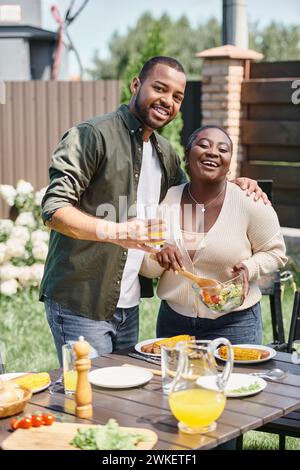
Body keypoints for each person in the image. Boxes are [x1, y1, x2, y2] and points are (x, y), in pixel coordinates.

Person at [40, 57, 268, 365]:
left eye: (177, 97)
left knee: (123, 400)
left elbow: (196, 197)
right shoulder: (91, 135)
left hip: (128, 303)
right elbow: (54, 209)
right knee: (92, 398)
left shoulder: (166, 154)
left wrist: (239, 184)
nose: (168, 101)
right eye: (159, 88)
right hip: (81, 302)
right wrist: (117, 231)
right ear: (136, 85)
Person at [140, 125, 287, 345]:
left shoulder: (249, 201)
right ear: (188, 156)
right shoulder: (166, 200)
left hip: (235, 324)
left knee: (237, 380)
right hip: (174, 323)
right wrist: (159, 254)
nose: (213, 152)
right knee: (175, 380)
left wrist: (250, 267)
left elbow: (276, 253)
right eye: (204, 145)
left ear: (229, 164)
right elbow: (146, 267)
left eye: (223, 149)